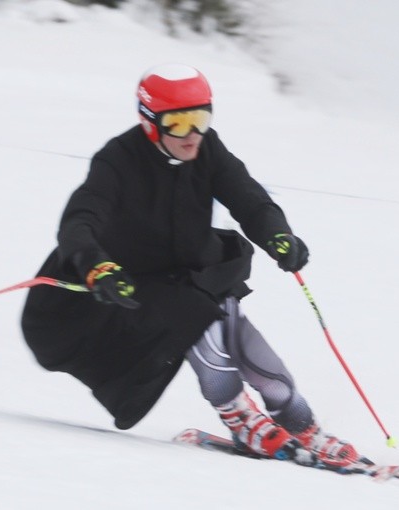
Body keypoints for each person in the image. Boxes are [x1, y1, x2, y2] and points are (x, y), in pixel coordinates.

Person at [21, 64, 360, 467]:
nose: (192, 134)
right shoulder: (117, 160)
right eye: (177, 123)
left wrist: (276, 234)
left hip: (183, 268)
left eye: (200, 119)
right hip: (122, 283)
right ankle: (239, 416)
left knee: (231, 320)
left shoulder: (207, 149)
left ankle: (299, 421)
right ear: (150, 122)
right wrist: (99, 267)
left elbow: (248, 196)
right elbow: (78, 222)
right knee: (197, 313)